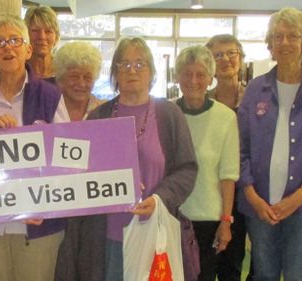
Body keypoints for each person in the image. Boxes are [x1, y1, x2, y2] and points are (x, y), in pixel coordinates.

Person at [0, 14, 70, 281]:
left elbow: (64, 158)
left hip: (38, 225)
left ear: (28, 49)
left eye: (15, 40)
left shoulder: (51, 96)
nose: (8, 47)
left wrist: (45, 206)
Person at [86, 37, 198, 281]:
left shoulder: (169, 114)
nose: (131, 71)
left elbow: (187, 169)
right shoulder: (98, 117)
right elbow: (84, 170)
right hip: (110, 235)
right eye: (124, 65)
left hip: (154, 232)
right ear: (115, 72)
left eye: (139, 64)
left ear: (151, 71)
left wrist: (159, 198)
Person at [238, 7, 302, 280]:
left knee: (297, 275)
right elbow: (240, 149)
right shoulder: (255, 90)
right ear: (269, 44)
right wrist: (251, 195)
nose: (285, 43)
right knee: (264, 274)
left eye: (292, 36)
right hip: (260, 205)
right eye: (278, 37)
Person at [174, 45, 240, 281]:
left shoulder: (226, 118)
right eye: (186, 73)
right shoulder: (166, 113)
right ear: (176, 76)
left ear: (211, 79)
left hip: (209, 220)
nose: (193, 80)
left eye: (200, 74)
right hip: (172, 217)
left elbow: (228, 175)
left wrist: (226, 222)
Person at [52, 41, 105, 281]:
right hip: (54, 209)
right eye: (74, 76)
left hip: (93, 213)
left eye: (87, 76)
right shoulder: (47, 110)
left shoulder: (105, 113)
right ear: (60, 78)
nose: (82, 83)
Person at [206, 34, 251, 281]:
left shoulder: (254, 101)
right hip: (209, 194)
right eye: (218, 55)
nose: (225, 59)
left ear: (241, 58)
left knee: (232, 263)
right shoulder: (202, 102)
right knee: (204, 261)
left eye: (231, 53)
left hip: (245, 193)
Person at [24, 6, 60, 81]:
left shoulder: (65, 70)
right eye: (35, 30)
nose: (42, 37)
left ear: (56, 37)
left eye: (48, 31)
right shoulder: (18, 71)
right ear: (25, 35)